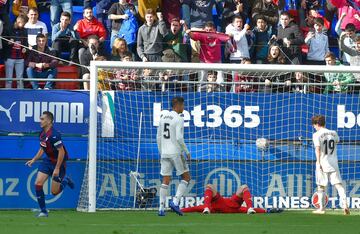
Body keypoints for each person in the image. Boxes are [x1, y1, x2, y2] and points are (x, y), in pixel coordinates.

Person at [25, 111, 74, 217]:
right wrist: (33, 159)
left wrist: (56, 168)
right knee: (38, 183)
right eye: (40, 118)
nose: (40, 121)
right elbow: (42, 148)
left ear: (49, 121)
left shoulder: (55, 135)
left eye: (42, 119)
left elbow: (62, 152)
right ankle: (43, 211)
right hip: (48, 161)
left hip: (59, 164)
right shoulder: (42, 134)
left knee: (54, 192)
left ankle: (65, 181)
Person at [156, 97, 191, 216]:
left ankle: (161, 208)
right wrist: (186, 151)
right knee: (186, 177)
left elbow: (158, 137)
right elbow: (179, 138)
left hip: (164, 152)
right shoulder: (178, 119)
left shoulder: (163, 117)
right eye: (183, 105)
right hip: (176, 152)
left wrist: (161, 151)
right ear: (178, 105)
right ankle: (175, 202)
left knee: (166, 179)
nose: (184, 108)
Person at [311, 115, 350, 215]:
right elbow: (337, 141)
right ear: (324, 123)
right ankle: (345, 205)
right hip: (333, 162)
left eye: (314, 125)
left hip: (323, 162)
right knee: (338, 185)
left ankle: (321, 209)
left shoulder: (316, 134)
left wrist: (318, 162)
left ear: (316, 124)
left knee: (321, 186)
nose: (314, 127)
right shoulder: (333, 133)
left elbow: (317, 149)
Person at [181, 184, 282, 214]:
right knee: (244, 187)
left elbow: (193, 208)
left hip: (218, 205)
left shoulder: (208, 206)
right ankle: (250, 208)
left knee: (209, 186)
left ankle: (206, 208)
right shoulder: (239, 210)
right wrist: (268, 210)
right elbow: (194, 208)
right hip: (233, 206)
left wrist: (179, 210)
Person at [3, 15, 28, 89]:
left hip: (20, 58)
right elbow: (2, 42)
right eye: (22, 24)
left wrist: (25, 49)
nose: (23, 26)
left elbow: (26, 43)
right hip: (9, 57)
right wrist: (8, 43)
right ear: (18, 21)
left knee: (20, 79)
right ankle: (7, 95)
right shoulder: (7, 29)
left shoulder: (24, 30)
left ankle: (20, 94)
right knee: (9, 79)